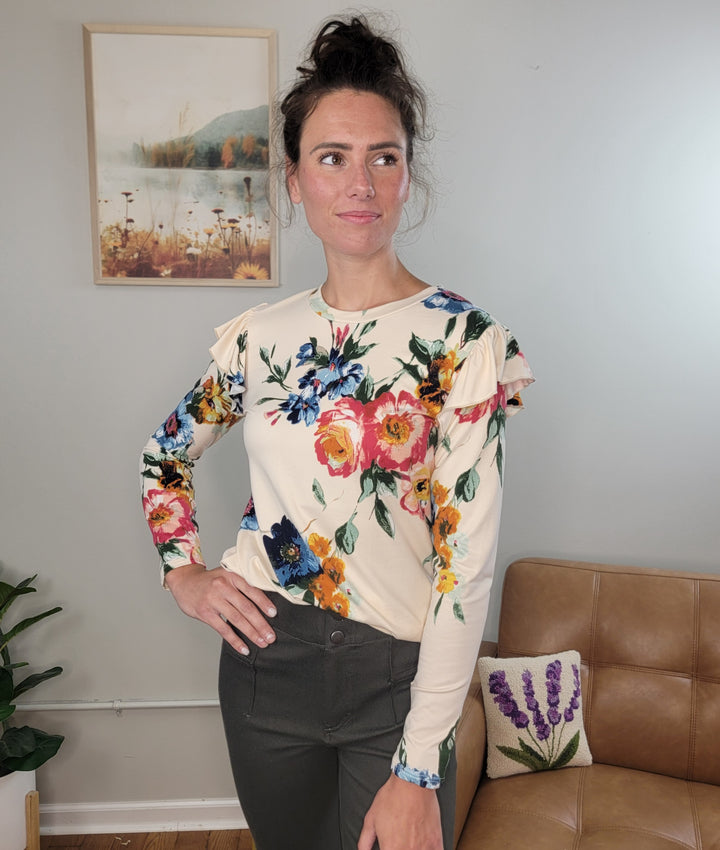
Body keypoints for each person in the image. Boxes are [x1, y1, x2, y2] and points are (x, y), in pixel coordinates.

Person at [140, 15, 534, 850]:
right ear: (293, 181)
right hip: (264, 664)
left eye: (382, 157)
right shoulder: (260, 337)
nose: (360, 183)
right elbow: (166, 450)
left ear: (405, 176)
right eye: (333, 157)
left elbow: (467, 569)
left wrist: (421, 764)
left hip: (397, 681)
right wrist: (185, 573)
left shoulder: (465, 342)